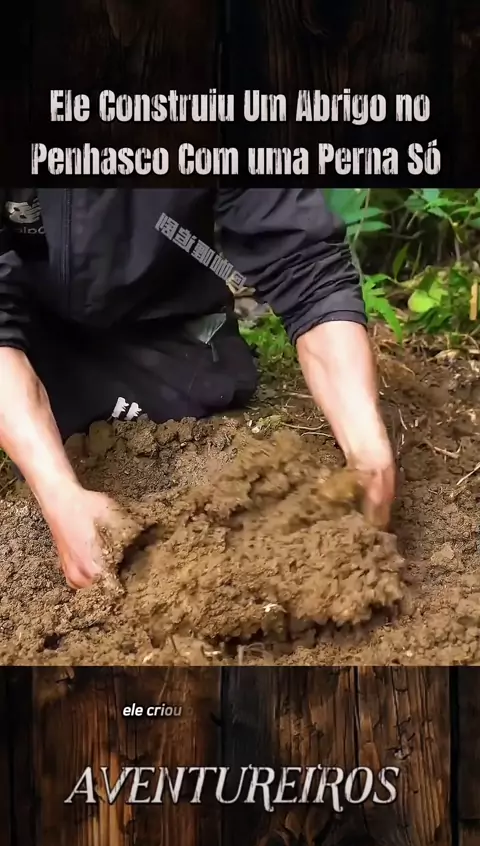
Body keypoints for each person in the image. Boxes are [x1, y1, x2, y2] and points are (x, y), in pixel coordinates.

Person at [0, 188, 395, 589]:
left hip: (162, 315)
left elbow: (306, 264)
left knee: (204, 419)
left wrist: (366, 446)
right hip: (26, 332)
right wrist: (58, 494)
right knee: (55, 447)